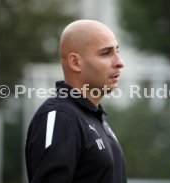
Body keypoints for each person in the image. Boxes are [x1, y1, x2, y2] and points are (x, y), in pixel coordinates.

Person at [25, 19, 126, 183]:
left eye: (117, 51)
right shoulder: (60, 116)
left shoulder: (92, 116)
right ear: (75, 62)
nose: (120, 62)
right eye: (106, 53)